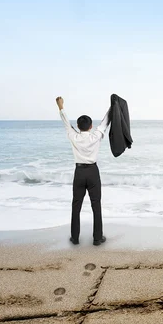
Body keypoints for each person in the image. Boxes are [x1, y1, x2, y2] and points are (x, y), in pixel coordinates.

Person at [55, 96, 109, 246]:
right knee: (96, 205)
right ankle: (97, 238)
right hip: (93, 172)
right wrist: (113, 107)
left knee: (76, 205)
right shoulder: (96, 136)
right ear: (91, 126)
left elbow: (66, 123)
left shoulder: (74, 136)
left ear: (78, 126)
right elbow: (105, 123)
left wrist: (61, 106)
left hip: (79, 173)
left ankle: (75, 238)